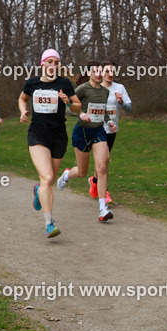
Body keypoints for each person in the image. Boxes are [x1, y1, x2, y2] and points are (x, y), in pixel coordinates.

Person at [20, 49, 80, 237]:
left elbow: (78, 107)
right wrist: (22, 111)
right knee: (47, 177)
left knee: (50, 180)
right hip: (38, 134)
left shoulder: (64, 83)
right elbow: (22, 98)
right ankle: (49, 224)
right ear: (43, 64)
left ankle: (39, 190)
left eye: (56, 62)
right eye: (49, 61)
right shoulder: (32, 83)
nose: (53, 65)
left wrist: (68, 102)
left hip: (58, 136)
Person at [56, 60, 115, 222]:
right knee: (82, 172)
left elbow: (102, 110)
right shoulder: (82, 89)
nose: (98, 74)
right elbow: (68, 107)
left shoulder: (105, 91)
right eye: (94, 71)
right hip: (82, 132)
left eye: (100, 71)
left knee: (102, 167)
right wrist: (80, 113)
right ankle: (67, 175)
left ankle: (102, 209)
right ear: (88, 73)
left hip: (98, 131)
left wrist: (109, 121)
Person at [88, 62, 132, 204]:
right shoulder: (95, 87)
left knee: (102, 161)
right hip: (97, 128)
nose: (110, 74)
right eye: (107, 71)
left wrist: (121, 102)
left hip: (112, 129)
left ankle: (94, 181)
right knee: (104, 161)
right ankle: (105, 192)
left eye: (113, 71)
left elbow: (129, 108)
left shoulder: (119, 88)